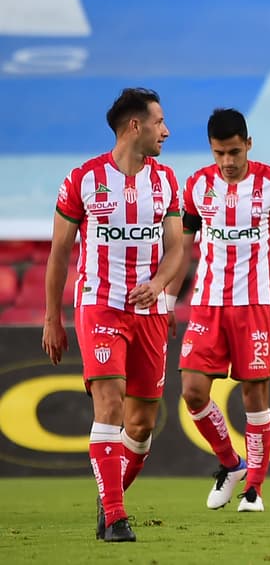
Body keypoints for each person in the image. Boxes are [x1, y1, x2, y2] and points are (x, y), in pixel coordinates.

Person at [41, 88, 185, 542]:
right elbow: (60, 253)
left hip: (149, 312)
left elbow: (176, 248)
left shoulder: (165, 181)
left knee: (141, 425)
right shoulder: (82, 179)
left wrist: (160, 285)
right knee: (110, 405)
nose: (166, 130)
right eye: (159, 121)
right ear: (134, 126)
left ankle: (108, 500)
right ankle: (117, 517)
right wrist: (52, 318)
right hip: (100, 305)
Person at [178, 108, 270, 513]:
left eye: (235, 152)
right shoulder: (197, 187)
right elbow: (181, 249)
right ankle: (230, 463)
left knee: (255, 395)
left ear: (248, 144)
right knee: (192, 392)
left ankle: (254, 488)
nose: (228, 162)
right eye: (220, 153)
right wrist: (168, 299)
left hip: (255, 305)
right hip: (206, 305)